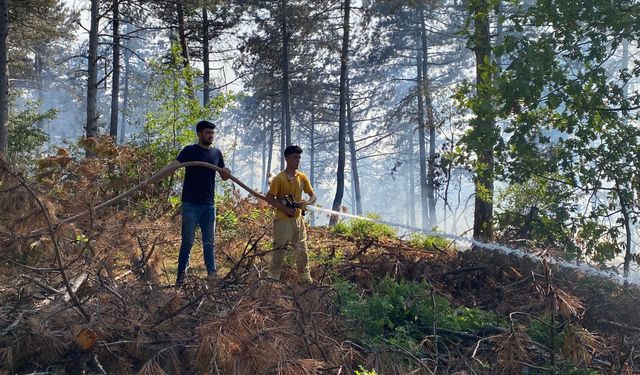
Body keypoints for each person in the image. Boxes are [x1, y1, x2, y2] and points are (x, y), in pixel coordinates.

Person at [168, 120, 231, 285]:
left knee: (209, 243)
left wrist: (226, 172)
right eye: (207, 132)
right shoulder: (189, 151)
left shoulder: (216, 153)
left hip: (209, 206)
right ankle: (181, 279)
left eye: (212, 133)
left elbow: (224, 176)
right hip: (190, 205)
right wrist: (152, 180)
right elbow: (174, 165)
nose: (210, 135)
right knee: (187, 242)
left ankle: (212, 276)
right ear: (199, 134)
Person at [264, 145, 317, 283]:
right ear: (287, 158)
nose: (297, 160)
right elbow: (269, 198)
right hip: (283, 221)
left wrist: (307, 203)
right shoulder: (279, 179)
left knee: (302, 249)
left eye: (299, 158)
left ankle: (305, 278)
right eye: (295, 157)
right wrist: (286, 209)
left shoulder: (302, 177)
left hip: (298, 221)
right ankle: (273, 278)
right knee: (280, 250)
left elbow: (313, 195)